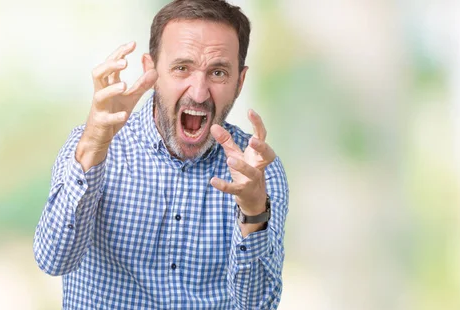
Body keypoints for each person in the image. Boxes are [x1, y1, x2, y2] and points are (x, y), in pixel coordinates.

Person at [33, 0, 289, 309]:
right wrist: (93, 147)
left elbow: (258, 305)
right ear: (151, 71)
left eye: (218, 72)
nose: (198, 92)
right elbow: (52, 260)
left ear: (239, 81)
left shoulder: (258, 172)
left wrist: (253, 211)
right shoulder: (93, 146)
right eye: (182, 68)